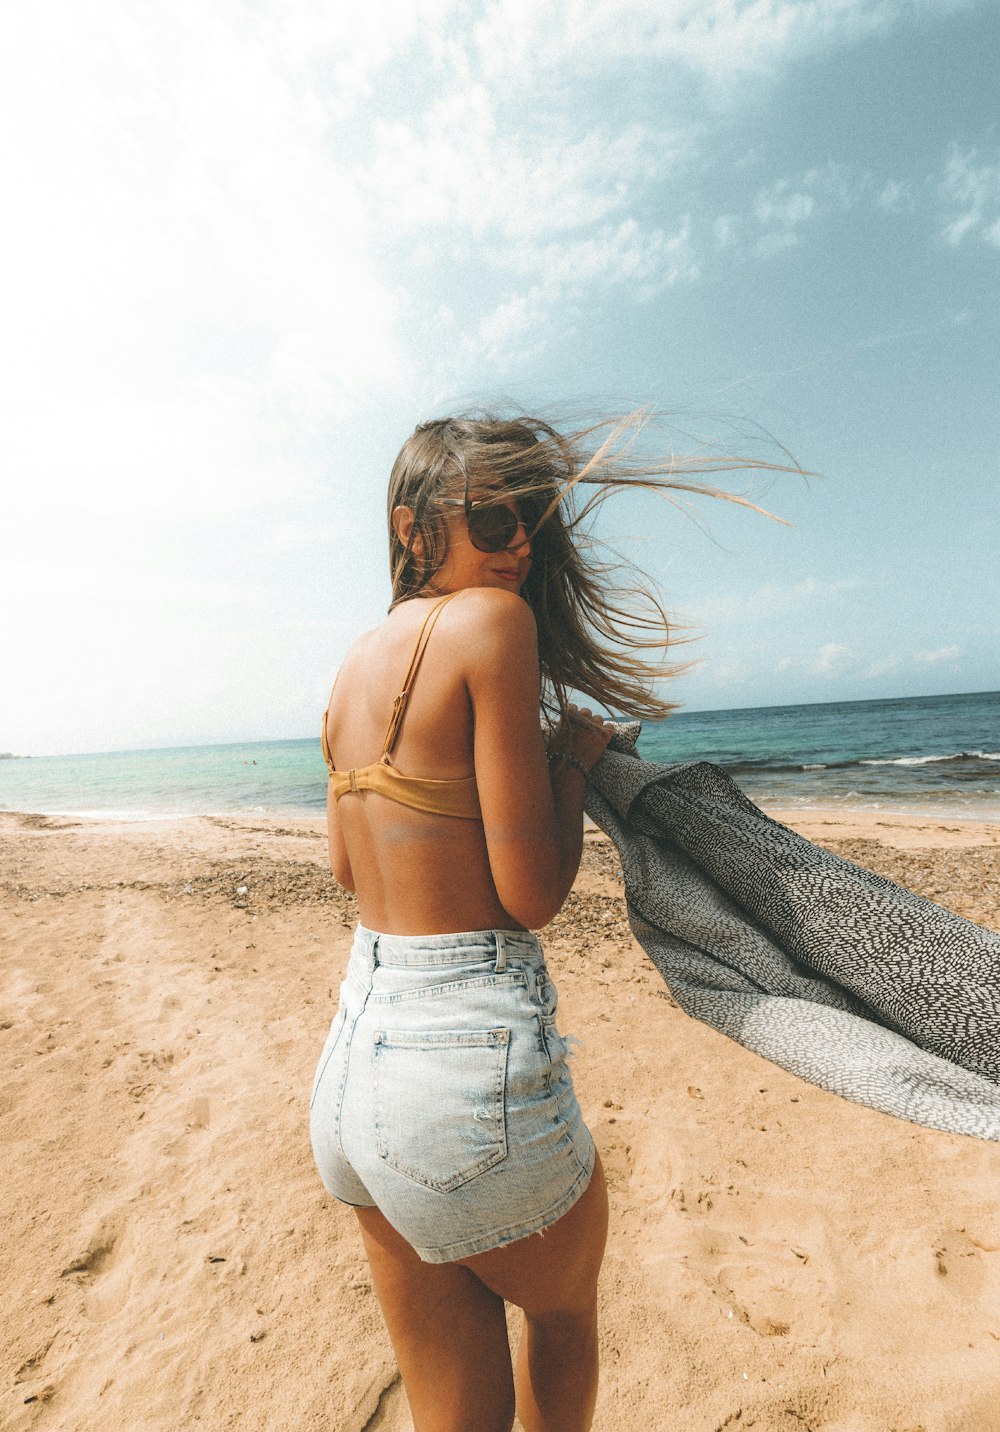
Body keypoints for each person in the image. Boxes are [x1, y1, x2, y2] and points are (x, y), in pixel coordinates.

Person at [310, 412, 786, 1432]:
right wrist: (571, 760)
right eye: (491, 517)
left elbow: (347, 866)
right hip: (460, 1058)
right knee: (563, 1315)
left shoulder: (352, 665)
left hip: (352, 1067)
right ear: (412, 526)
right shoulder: (491, 626)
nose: (519, 542)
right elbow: (530, 895)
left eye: (528, 518)